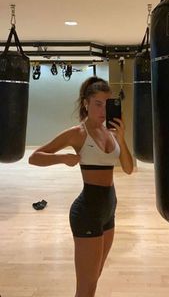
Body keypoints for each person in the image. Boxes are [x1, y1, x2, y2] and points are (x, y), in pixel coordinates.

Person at [29, 76, 134, 297]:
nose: (103, 110)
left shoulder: (111, 132)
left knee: (93, 282)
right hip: (87, 212)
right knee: (84, 289)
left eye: (107, 103)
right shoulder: (78, 133)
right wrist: (63, 158)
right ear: (86, 103)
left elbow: (128, 168)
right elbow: (35, 157)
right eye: (98, 103)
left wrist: (122, 139)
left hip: (109, 211)